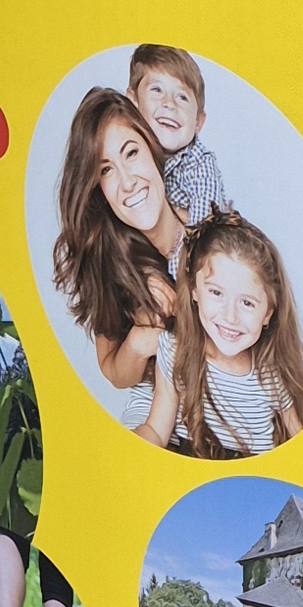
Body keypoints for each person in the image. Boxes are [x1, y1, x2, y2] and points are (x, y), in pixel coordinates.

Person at [50, 88, 182, 428]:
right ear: (97, 189)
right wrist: (139, 341)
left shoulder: (210, 231)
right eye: (106, 170)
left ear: (152, 147)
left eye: (131, 153)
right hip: (162, 420)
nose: (127, 182)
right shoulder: (110, 260)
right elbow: (112, 370)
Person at [167, 212, 303, 456]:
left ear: (267, 314)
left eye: (247, 303)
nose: (230, 317)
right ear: (194, 290)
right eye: (216, 293)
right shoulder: (175, 352)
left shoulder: (269, 377)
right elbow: (156, 431)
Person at [128, 44, 228, 220]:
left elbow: (204, 228)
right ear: (133, 102)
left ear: (197, 122)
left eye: (182, 97)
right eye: (157, 90)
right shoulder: (127, 152)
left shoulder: (200, 165)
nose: (170, 104)